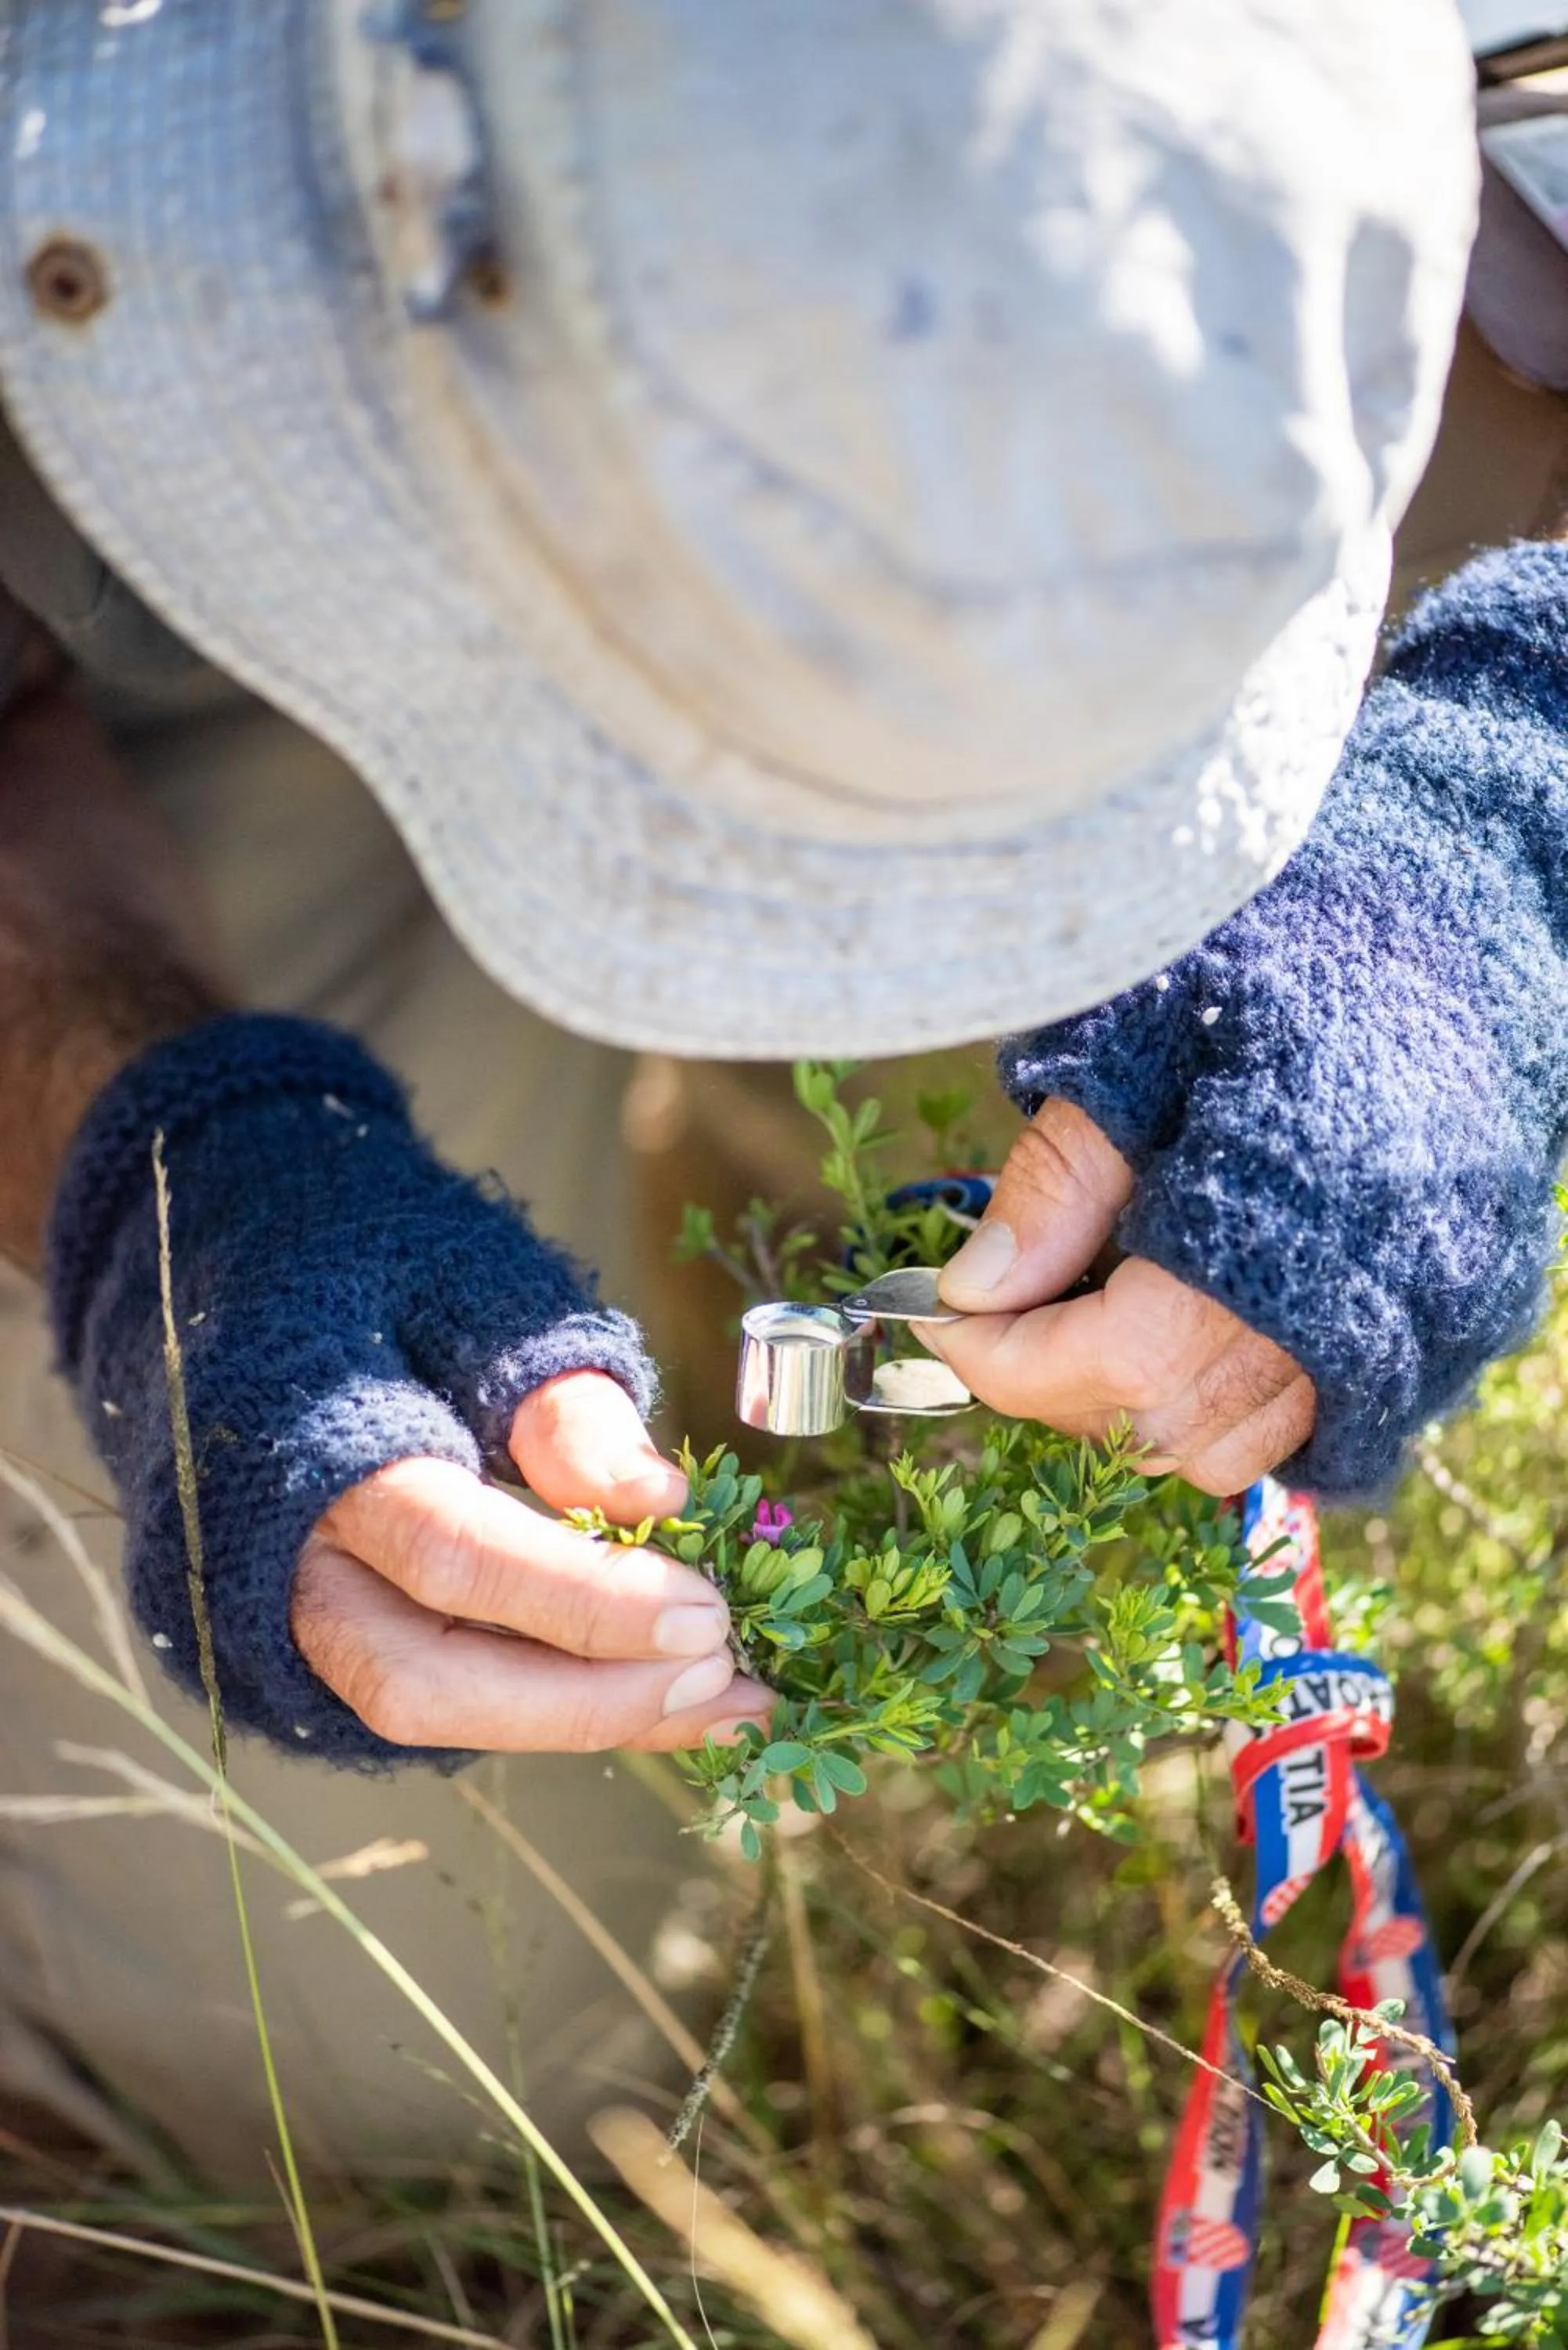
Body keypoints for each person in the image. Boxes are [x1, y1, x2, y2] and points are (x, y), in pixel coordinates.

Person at [0, 0, 1547, 2171]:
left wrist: (1498, 812)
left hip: (1246, 553)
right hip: (170, 663)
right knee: (395, 2065)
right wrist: (176, 1171)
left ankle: (799, 1316)